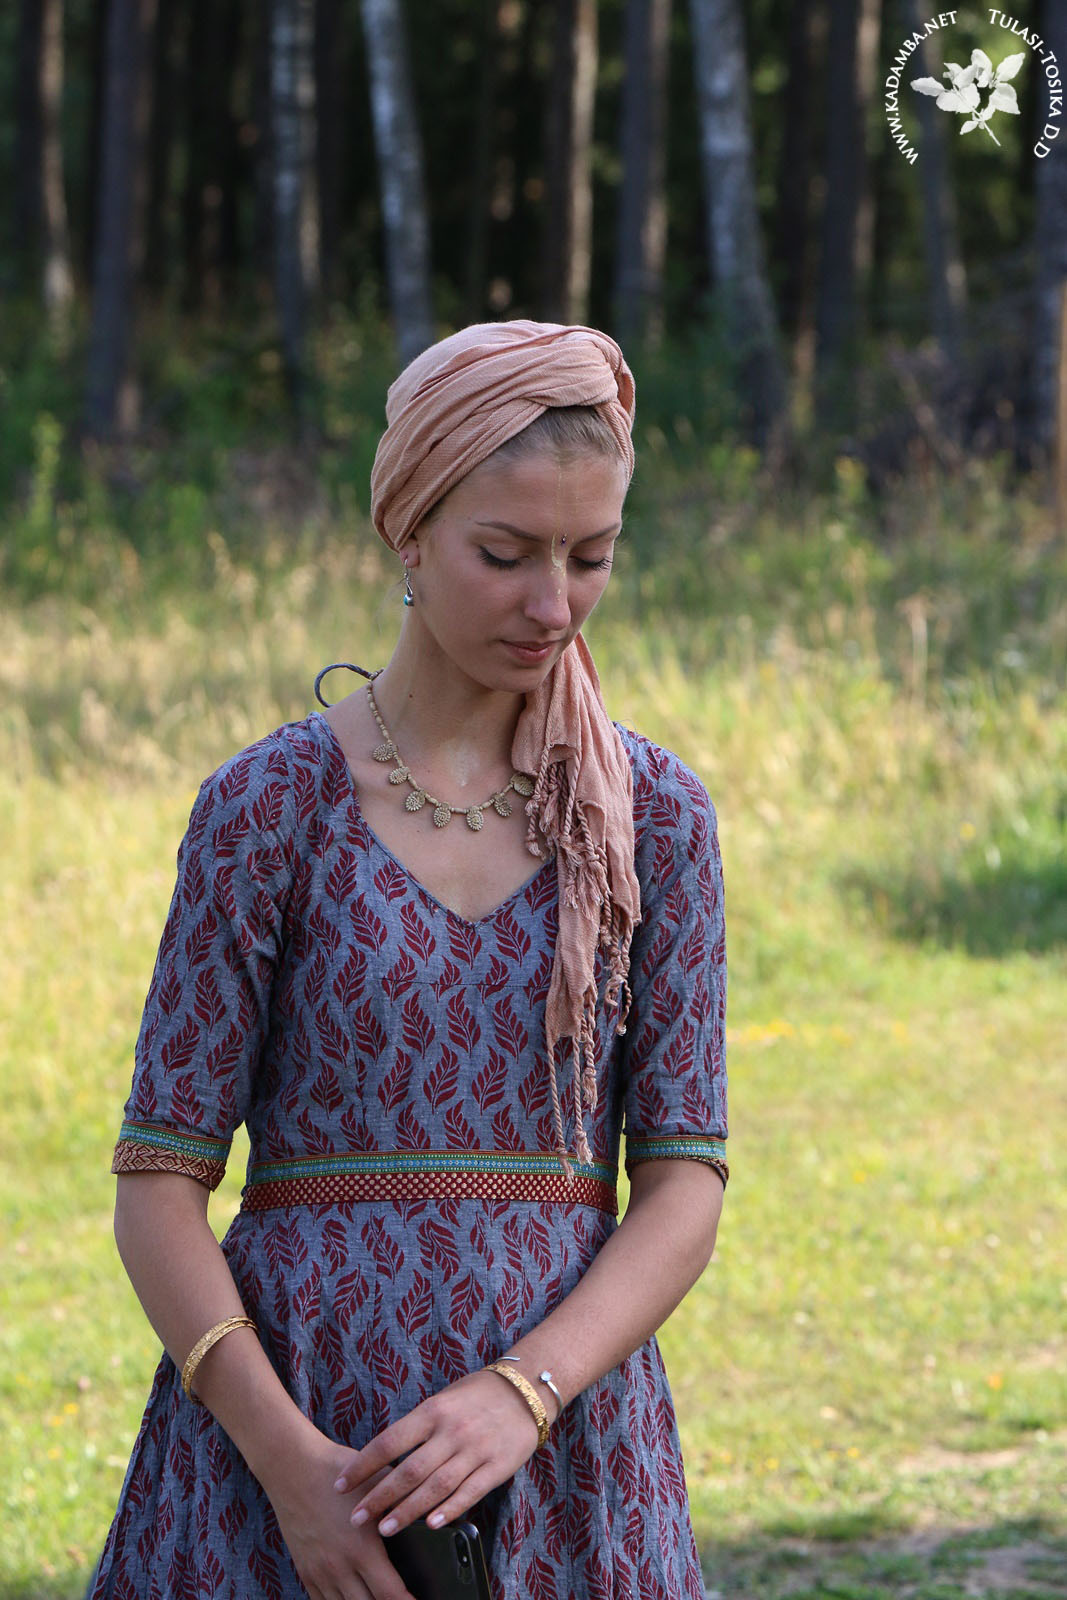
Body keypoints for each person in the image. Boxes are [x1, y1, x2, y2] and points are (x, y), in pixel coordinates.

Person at [88, 320, 728, 1600]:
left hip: (566, 1454)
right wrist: (290, 1469)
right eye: (505, 553)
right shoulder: (268, 809)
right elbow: (158, 1184)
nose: (552, 605)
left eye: (590, 556)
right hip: (288, 1439)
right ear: (409, 530)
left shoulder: (651, 816)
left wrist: (521, 1392)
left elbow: (681, 1181)